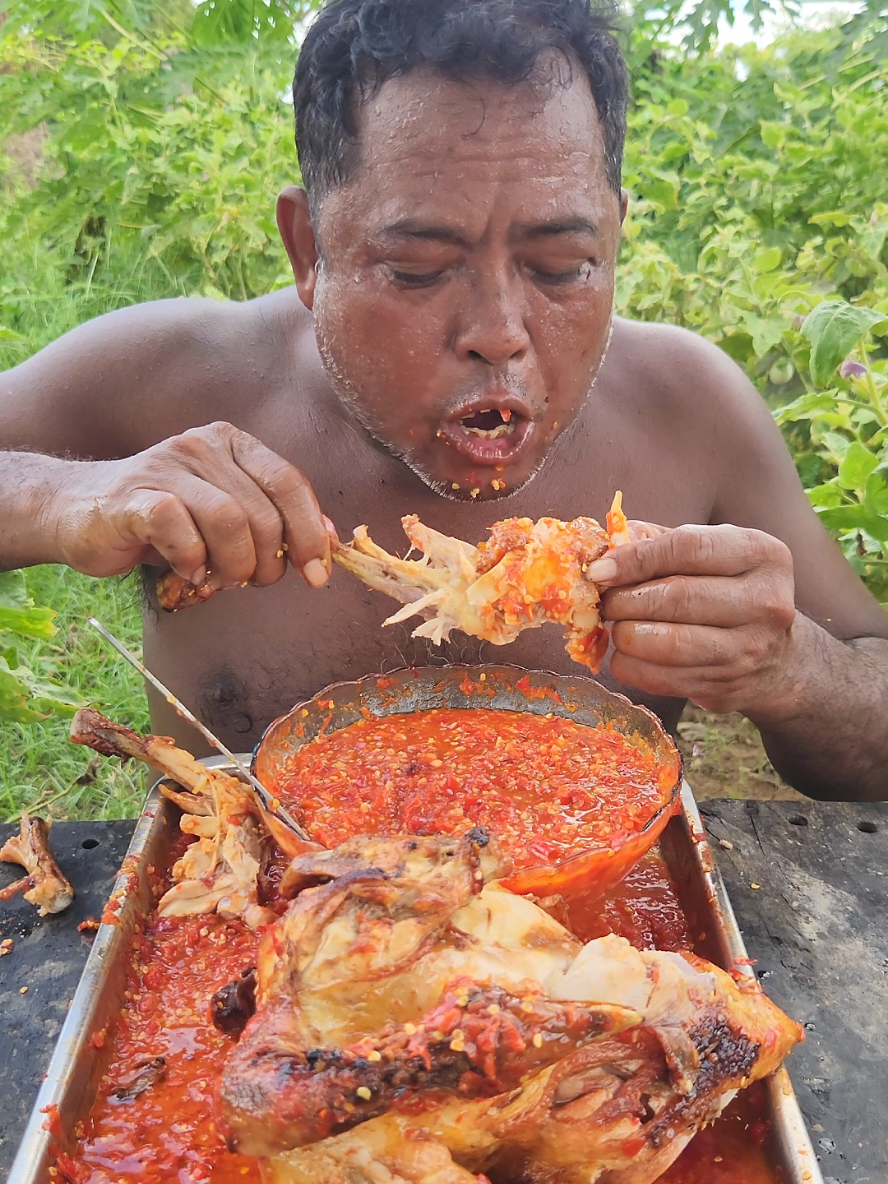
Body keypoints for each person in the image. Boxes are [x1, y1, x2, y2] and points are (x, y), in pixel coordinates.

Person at [1, 0, 885, 800]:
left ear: (614, 233)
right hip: (244, 950)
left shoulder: (692, 411)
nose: (498, 331)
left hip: (589, 945)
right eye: (418, 270)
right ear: (309, 248)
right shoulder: (169, 379)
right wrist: (58, 497)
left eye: (561, 267)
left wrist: (798, 671)